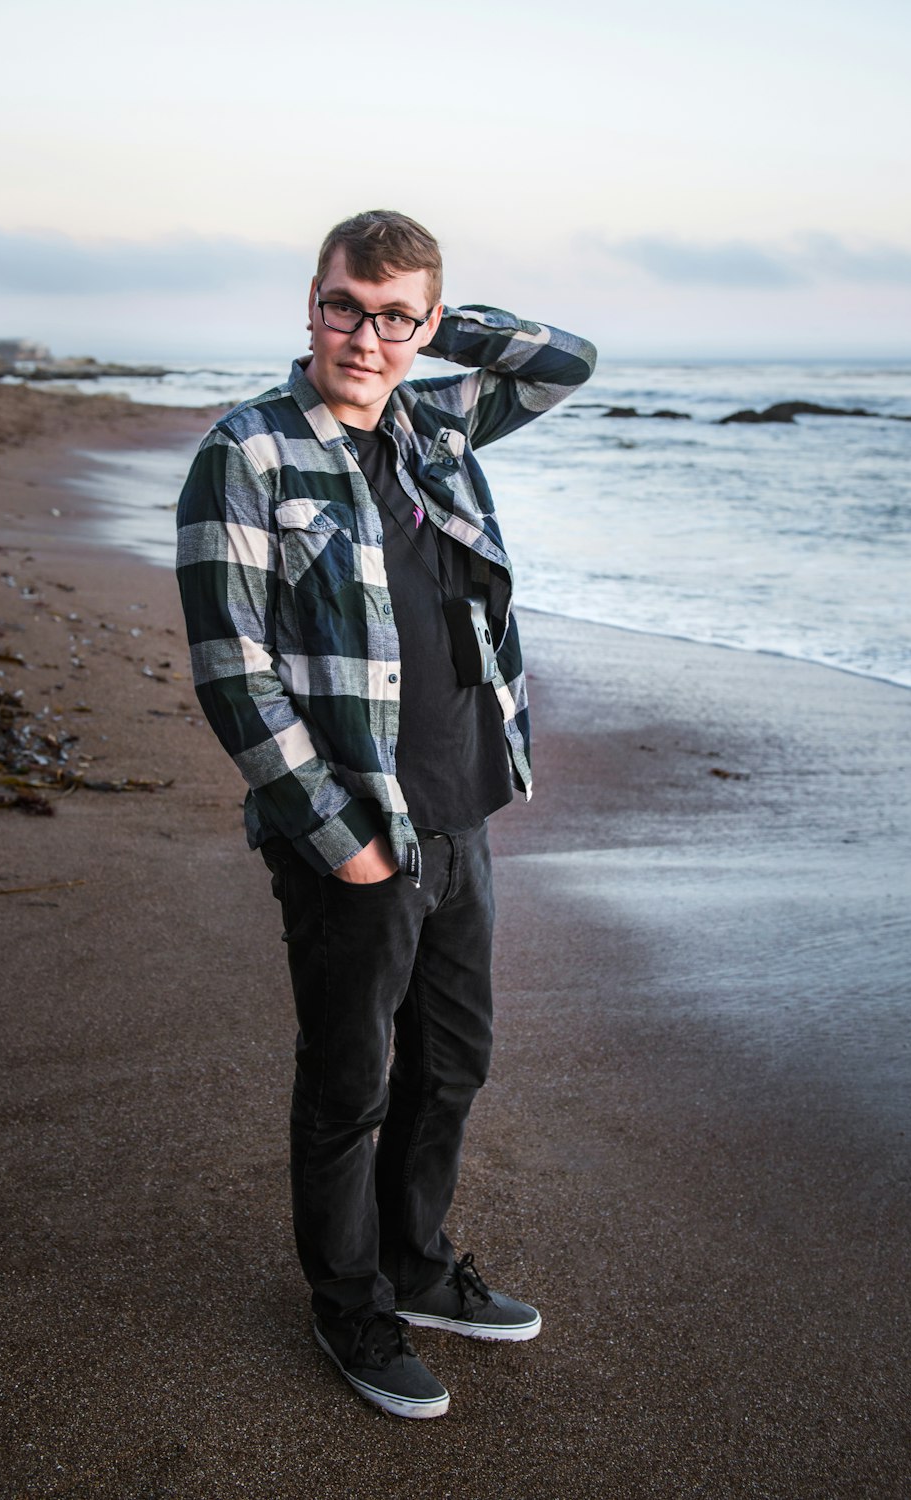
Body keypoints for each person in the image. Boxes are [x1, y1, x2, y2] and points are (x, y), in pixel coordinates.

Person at [176, 210, 596, 1419]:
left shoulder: (434, 416)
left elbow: (566, 362)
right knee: (350, 1083)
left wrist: (433, 326)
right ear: (308, 303)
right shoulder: (246, 453)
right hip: (355, 836)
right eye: (344, 308)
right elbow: (231, 670)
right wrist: (334, 837)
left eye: (392, 315)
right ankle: (347, 1306)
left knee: (452, 1063)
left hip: (462, 811)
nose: (364, 338)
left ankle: (415, 1266)